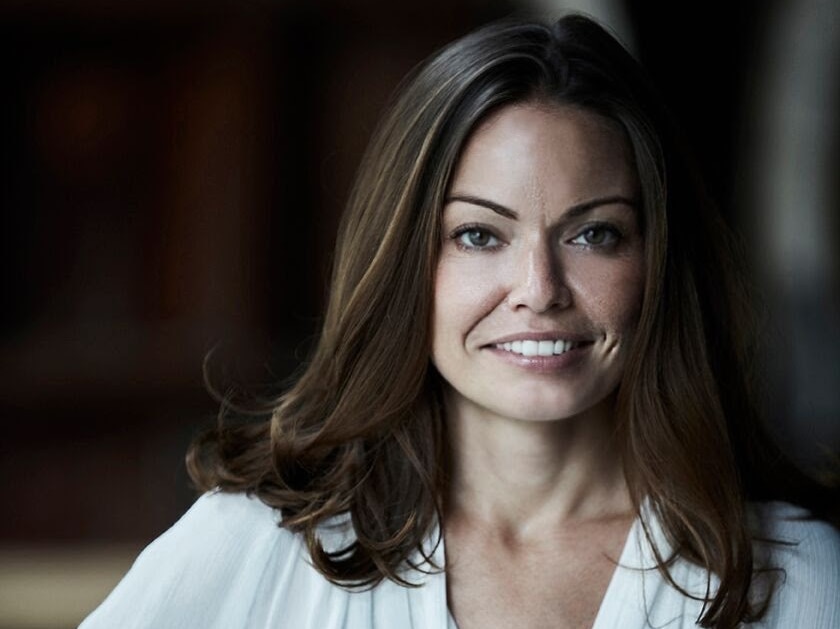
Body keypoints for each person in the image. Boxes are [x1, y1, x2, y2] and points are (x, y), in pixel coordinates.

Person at [80, 14, 840, 629]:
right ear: (406, 262)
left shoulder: (797, 576)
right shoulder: (256, 546)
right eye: (480, 235)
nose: (539, 289)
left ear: (659, 262)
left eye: (593, 233)